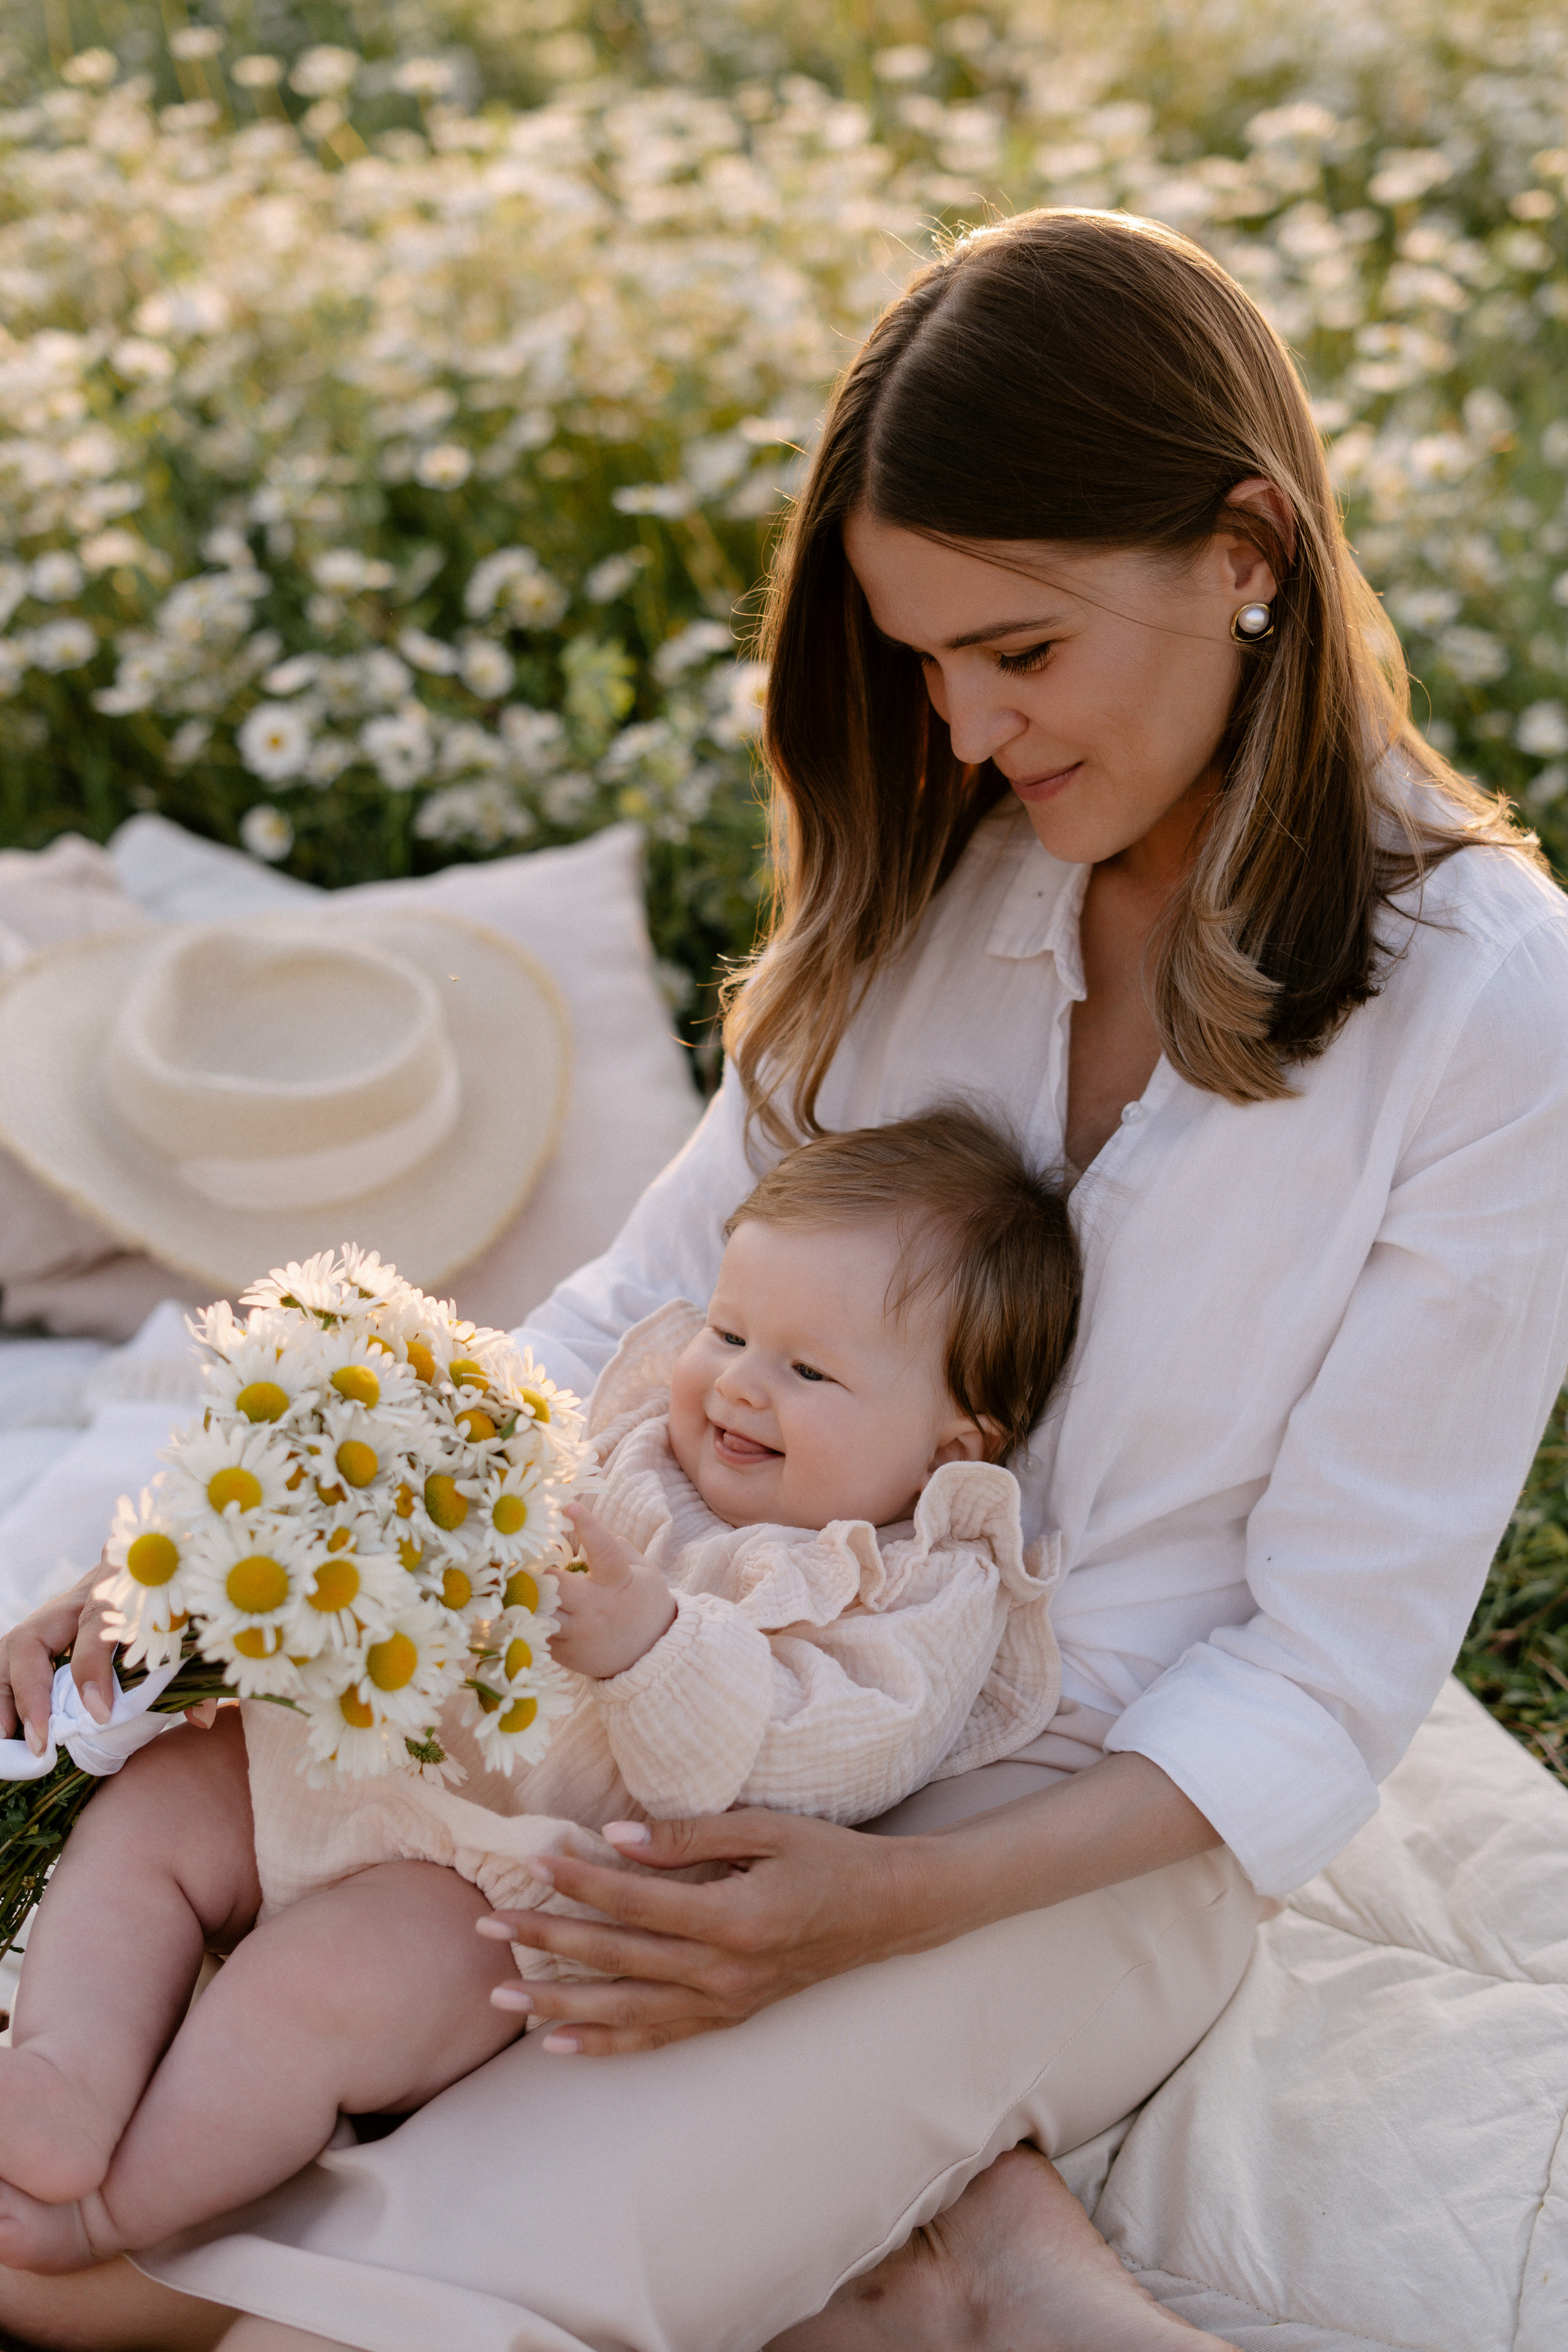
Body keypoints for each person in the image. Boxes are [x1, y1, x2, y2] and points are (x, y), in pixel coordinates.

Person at [1, 205, 1566, 2352]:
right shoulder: (944, 869)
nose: (968, 728)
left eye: (1023, 652)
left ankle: (940, 2228)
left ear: (1247, 550)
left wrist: (880, 1908)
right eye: (922, 662)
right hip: (668, 1713)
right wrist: (210, 1561)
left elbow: (1322, 1672)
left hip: (1064, 1830)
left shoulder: (1492, 1009)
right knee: (64, 2233)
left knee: (249, 2311)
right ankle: (944, 2248)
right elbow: (619, 1323)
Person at [0, 1112, 1080, 2281]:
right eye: (727, 1332)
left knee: (306, 1997)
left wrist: (653, 1645)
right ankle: (61, 2077)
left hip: (508, 1881)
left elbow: (822, 1761)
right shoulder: (631, 1434)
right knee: (160, 1804)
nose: (737, 1384)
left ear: (950, 1449)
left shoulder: (918, 1592)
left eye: (808, 1370)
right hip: (365, 1752)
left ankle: (108, 2219)